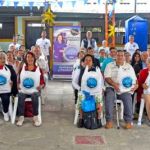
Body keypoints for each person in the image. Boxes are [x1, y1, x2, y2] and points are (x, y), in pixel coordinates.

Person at [104, 50, 138, 129]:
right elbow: (107, 78)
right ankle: (109, 121)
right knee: (109, 97)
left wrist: (136, 85)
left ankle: (128, 122)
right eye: (118, 55)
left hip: (124, 89)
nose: (120, 57)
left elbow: (134, 79)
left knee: (128, 98)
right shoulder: (109, 65)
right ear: (115, 56)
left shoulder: (129, 66)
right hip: (111, 87)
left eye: (121, 55)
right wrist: (114, 84)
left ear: (124, 57)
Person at [72, 54, 104, 128]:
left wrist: (101, 89)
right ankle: (81, 118)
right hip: (84, 91)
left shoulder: (97, 69)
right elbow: (74, 82)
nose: (88, 61)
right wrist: (79, 89)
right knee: (81, 98)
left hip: (95, 92)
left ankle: (98, 118)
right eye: (86, 60)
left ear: (92, 62)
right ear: (83, 61)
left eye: (90, 60)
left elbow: (101, 81)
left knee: (98, 98)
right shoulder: (79, 69)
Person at [16, 52, 45, 126]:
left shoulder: (38, 69)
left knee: (35, 95)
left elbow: (43, 82)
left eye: (32, 57)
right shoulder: (22, 68)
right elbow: (18, 80)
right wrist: (18, 84)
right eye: (28, 57)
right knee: (20, 95)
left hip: (34, 91)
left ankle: (35, 116)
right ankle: (21, 117)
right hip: (24, 90)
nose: (30, 59)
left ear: (34, 58)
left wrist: (41, 86)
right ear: (25, 59)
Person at [0, 52, 17, 121]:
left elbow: (14, 78)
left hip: (5, 90)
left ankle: (5, 112)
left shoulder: (9, 68)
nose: (2, 60)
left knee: (5, 99)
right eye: (0, 58)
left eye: (4, 58)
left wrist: (12, 83)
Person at [138, 58, 150, 126]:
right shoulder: (143, 71)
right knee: (149, 100)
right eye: (149, 63)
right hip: (144, 91)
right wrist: (143, 85)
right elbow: (139, 83)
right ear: (146, 64)